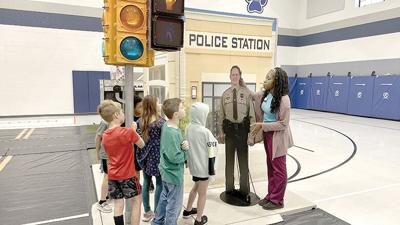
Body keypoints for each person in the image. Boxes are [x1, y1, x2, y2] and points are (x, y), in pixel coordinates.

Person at [250, 67, 294, 210]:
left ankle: (278, 200)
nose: (265, 80)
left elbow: (283, 124)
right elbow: (253, 95)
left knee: (279, 169)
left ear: (276, 82)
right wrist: (241, 84)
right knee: (271, 166)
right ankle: (271, 195)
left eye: (268, 78)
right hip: (268, 135)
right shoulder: (266, 94)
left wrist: (262, 125)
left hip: (278, 137)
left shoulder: (284, 99)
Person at [98, 100, 145, 225]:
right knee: (137, 202)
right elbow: (141, 144)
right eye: (122, 112)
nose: (124, 114)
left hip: (113, 176)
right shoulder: (128, 132)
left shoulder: (105, 135)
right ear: (116, 115)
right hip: (128, 175)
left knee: (118, 204)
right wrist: (134, 131)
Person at [218, 65, 255, 202]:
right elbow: (221, 115)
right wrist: (221, 132)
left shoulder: (246, 94)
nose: (234, 77)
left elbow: (252, 116)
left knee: (243, 163)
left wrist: (251, 135)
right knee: (229, 163)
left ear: (240, 76)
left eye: (236, 74)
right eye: (232, 74)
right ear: (230, 77)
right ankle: (229, 189)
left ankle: (245, 190)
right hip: (229, 132)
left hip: (242, 131)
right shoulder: (225, 94)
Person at [152, 98, 189, 225]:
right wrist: (185, 151)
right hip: (174, 175)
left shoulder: (166, 126)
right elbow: (175, 157)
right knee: (174, 206)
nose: (185, 109)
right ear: (176, 114)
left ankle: (157, 221)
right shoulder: (173, 132)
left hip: (166, 172)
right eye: (182, 108)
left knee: (164, 198)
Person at [184, 102, 218, 225]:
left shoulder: (188, 128)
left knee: (195, 187)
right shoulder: (205, 132)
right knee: (202, 193)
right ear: (201, 115)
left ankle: (187, 211)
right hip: (204, 168)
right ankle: (199, 219)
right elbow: (213, 148)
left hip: (194, 167)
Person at [137, 95, 165, 222]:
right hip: (157, 156)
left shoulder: (140, 121)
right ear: (154, 105)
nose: (160, 104)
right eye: (158, 102)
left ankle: (147, 212)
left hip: (144, 155)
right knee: (159, 183)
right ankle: (158, 211)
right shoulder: (160, 122)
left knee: (146, 183)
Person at [94, 119, 112, 213]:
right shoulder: (105, 122)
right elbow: (98, 137)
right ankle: (102, 201)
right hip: (106, 155)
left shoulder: (116, 122)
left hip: (113, 154)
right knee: (107, 176)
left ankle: (108, 194)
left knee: (111, 176)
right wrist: (97, 153)